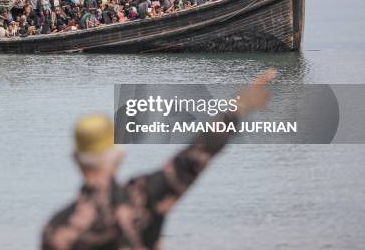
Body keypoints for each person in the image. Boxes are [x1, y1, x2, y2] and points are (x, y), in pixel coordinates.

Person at [41, 69, 277, 250]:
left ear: (76, 159)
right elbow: (193, 157)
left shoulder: (56, 230)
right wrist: (239, 107)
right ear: (118, 156)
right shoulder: (141, 199)